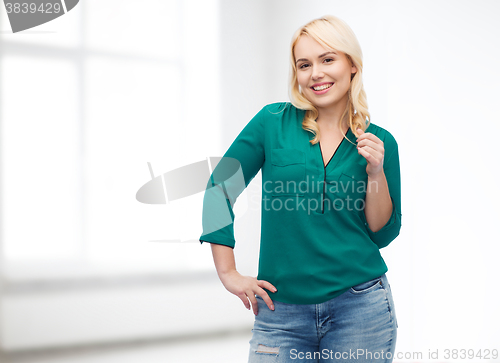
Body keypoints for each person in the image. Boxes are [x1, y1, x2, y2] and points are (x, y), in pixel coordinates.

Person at [199, 15, 401, 363]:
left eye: (328, 59)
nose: (315, 74)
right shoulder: (272, 123)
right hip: (281, 313)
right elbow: (220, 187)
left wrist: (376, 172)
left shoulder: (379, 142)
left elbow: (381, 233)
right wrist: (228, 272)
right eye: (304, 64)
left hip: (360, 308)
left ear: (352, 65)